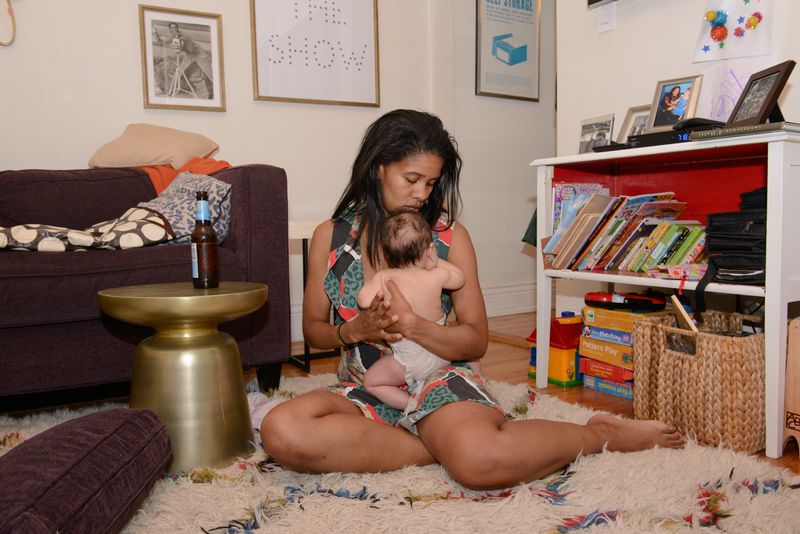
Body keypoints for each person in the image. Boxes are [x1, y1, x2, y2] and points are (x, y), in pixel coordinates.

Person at [261, 109, 685, 490]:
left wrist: (415, 326)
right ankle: (441, 448)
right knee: (282, 430)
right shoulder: (330, 237)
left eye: (430, 182)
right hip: (369, 389)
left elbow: (476, 341)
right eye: (411, 180)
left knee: (481, 461)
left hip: (439, 378)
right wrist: (353, 330)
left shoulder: (447, 238)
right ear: (377, 169)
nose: (422, 194)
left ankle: (598, 433)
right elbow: (313, 330)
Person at [358, 209, 478, 410]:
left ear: (387, 254)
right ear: (429, 249)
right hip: (443, 351)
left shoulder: (385, 277)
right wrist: (435, 261)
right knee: (472, 353)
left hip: (410, 360)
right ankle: (479, 383)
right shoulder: (436, 275)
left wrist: (375, 281)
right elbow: (459, 278)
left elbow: (363, 300)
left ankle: (413, 405)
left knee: (372, 382)